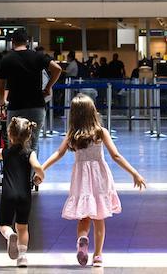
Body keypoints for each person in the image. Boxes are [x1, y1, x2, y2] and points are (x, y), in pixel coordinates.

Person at [42, 95, 147, 268]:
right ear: (93, 112)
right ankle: (97, 255)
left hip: (81, 178)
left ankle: (82, 239)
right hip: (99, 178)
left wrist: (42, 168)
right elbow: (116, 156)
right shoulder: (100, 132)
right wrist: (134, 172)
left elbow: (58, 154)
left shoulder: (72, 135)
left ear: (74, 115)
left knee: (84, 217)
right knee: (99, 217)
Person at [0, 117, 44, 268]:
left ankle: (10, 235)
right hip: (25, 195)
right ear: (29, 136)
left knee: (4, 224)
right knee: (23, 227)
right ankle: (22, 257)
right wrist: (40, 176)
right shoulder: (30, 153)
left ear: (9, 135)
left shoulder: (5, 152)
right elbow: (38, 167)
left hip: (8, 194)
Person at [0, 29, 62, 155]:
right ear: (27, 42)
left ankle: (15, 173)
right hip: (36, 106)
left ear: (12, 42)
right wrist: (48, 87)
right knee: (33, 144)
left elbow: (0, 88)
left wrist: (2, 104)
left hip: (15, 107)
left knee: (14, 144)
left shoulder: (6, 59)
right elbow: (57, 69)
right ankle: (31, 174)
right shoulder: (38, 56)